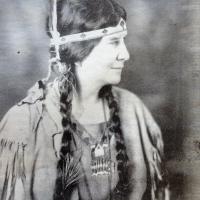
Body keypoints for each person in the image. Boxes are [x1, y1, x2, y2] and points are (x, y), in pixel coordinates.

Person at [0, 0, 169, 199]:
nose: (125, 54)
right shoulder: (24, 123)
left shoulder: (133, 110)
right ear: (79, 48)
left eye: (123, 41)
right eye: (114, 42)